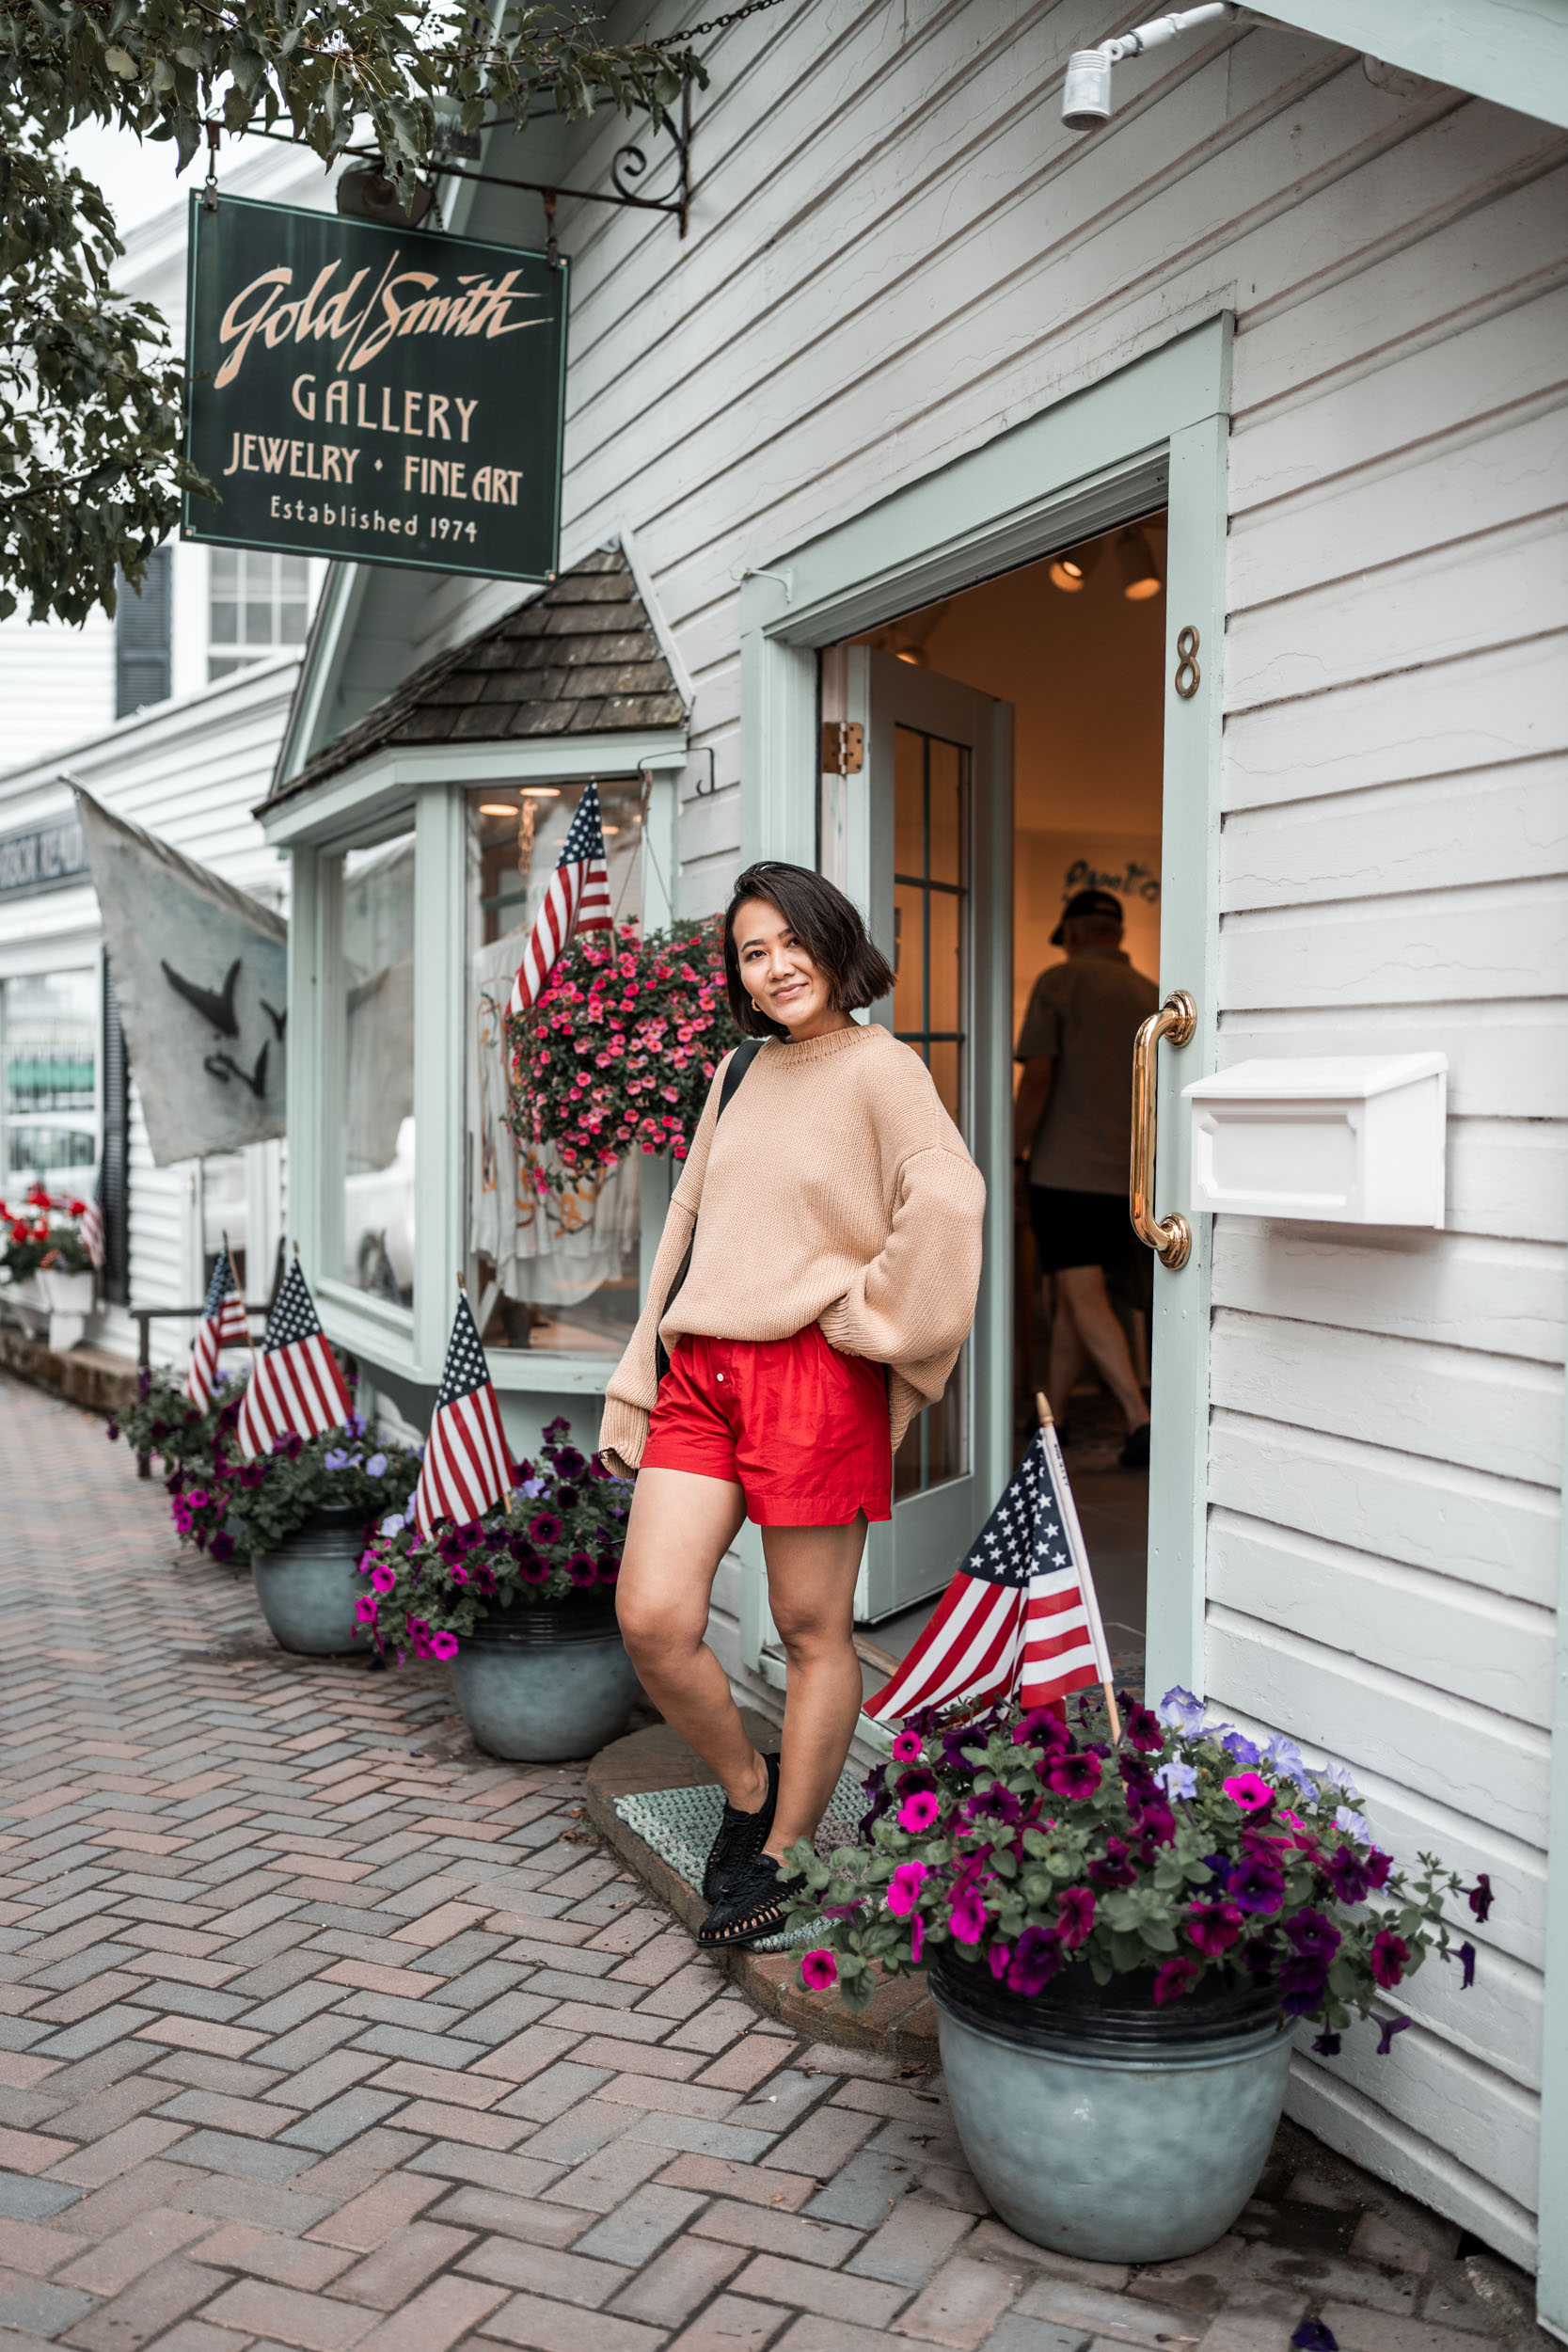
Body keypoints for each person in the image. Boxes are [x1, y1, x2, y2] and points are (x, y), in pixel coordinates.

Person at [600, 862, 985, 1949]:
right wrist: (638, 1375)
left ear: (831, 939)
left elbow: (949, 1197)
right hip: (703, 1373)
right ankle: (747, 1780)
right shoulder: (737, 1071)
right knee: (654, 1619)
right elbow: (681, 1228)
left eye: (787, 942)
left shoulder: (882, 1067)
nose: (772, 968)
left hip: (810, 1374)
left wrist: (869, 1319)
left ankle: (781, 1854)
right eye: (749, 952)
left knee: (814, 1631)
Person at [1014, 887, 1158, 1468]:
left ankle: (1138, 1418)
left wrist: (1010, 1150)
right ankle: (1054, 1420)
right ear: (1118, 934)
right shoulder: (1151, 993)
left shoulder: (1058, 982)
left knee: (1080, 1293)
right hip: (1132, 1175)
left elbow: (1040, 1078)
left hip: (1066, 1171)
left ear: (1071, 934)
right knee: (1080, 1300)